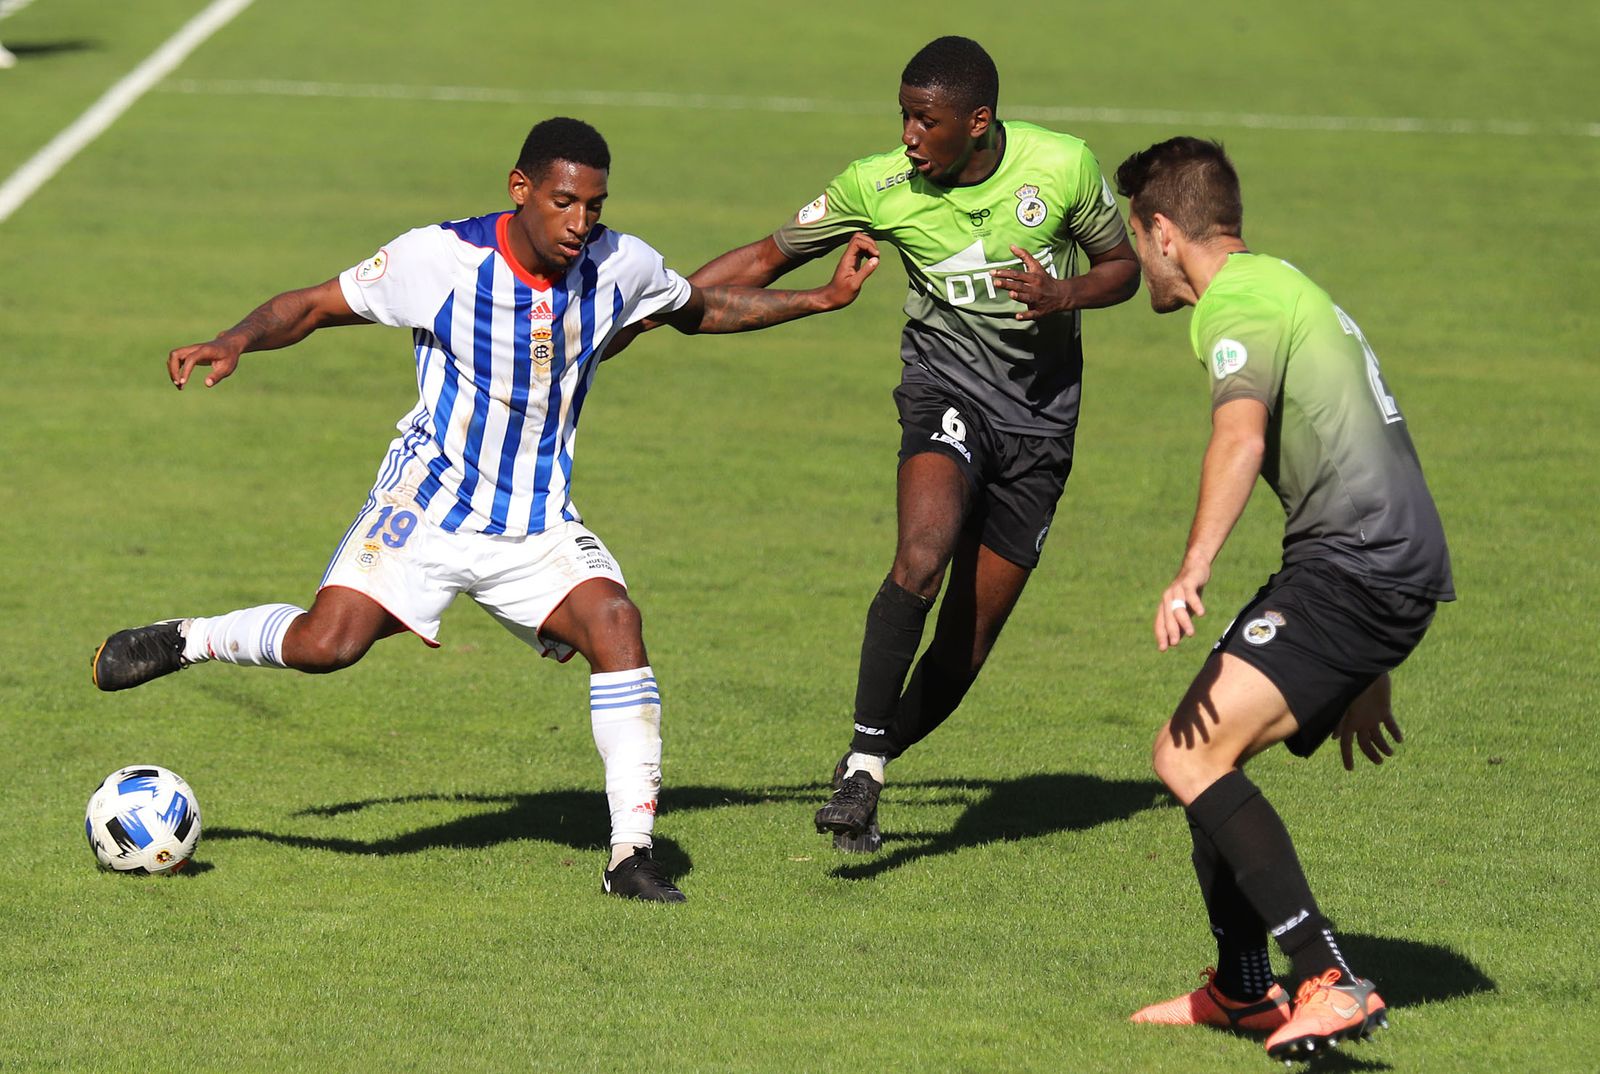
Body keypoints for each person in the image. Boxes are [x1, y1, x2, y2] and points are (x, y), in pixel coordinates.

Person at [90, 116, 880, 902]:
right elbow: (311, 306)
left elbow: (698, 306)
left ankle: (629, 855)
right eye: (565, 202)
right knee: (326, 645)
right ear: (521, 189)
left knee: (617, 623)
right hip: (425, 506)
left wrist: (819, 300)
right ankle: (189, 638)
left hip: (537, 526)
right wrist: (233, 340)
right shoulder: (441, 259)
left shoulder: (618, 263)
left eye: (595, 206)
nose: (581, 223)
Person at [679, 36, 1139, 850]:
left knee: (964, 650)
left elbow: (1122, 269)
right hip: (944, 392)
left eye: (925, 121)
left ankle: (873, 755)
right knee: (921, 556)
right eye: (903, 116)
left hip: (1040, 424)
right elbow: (768, 254)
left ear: (978, 123)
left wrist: (1060, 291)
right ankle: (863, 768)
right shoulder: (877, 185)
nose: (908, 136)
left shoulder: (1062, 167)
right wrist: (660, 304)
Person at [1113, 137, 1454, 1059]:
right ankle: (1241, 987)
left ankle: (1325, 975)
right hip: (1376, 566)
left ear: (1164, 232)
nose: (1136, 259)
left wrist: (1192, 568)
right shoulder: (1285, 283)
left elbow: (1240, 438)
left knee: (1188, 758)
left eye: (1135, 239)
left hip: (1355, 566)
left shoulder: (1241, 302)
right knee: (1198, 744)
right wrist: (1370, 659)